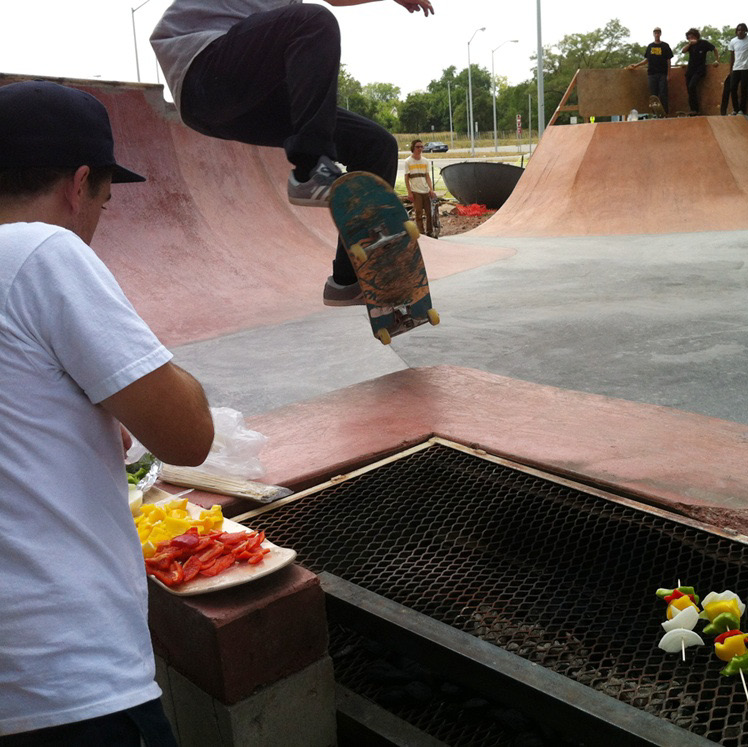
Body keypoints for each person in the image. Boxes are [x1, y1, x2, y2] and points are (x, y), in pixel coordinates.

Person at [0, 80, 215, 745]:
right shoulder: (42, 251)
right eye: (103, 199)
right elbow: (188, 435)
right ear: (79, 184)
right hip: (69, 683)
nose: (97, 217)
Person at [150, 0, 434, 307]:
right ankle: (309, 169)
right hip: (202, 68)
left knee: (376, 144)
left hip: (245, 97)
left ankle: (348, 278)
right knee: (313, 21)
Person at [627, 27, 673, 107]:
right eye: (655, 33)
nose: (657, 34)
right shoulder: (650, 46)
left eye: (658, 33)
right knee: (653, 95)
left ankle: (665, 112)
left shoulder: (665, 46)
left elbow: (668, 60)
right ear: (653, 34)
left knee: (663, 93)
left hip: (662, 73)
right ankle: (655, 113)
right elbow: (647, 60)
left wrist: (669, 74)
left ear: (660, 34)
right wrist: (636, 65)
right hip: (652, 74)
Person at [679, 28, 718, 115]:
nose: (691, 38)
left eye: (692, 36)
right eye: (689, 37)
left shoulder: (703, 43)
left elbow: (715, 49)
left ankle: (696, 109)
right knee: (689, 88)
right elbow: (683, 51)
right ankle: (693, 109)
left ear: (696, 36)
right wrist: (689, 44)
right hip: (690, 70)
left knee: (692, 86)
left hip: (699, 69)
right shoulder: (690, 45)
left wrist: (717, 60)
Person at [404, 139, 436, 236]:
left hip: (425, 190)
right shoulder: (408, 161)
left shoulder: (425, 161)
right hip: (415, 191)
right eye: (418, 147)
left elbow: (427, 176)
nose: (420, 149)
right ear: (413, 148)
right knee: (418, 213)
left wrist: (431, 189)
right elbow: (406, 178)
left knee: (429, 212)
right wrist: (409, 192)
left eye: (421, 147)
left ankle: (429, 231)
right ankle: (421, 232)